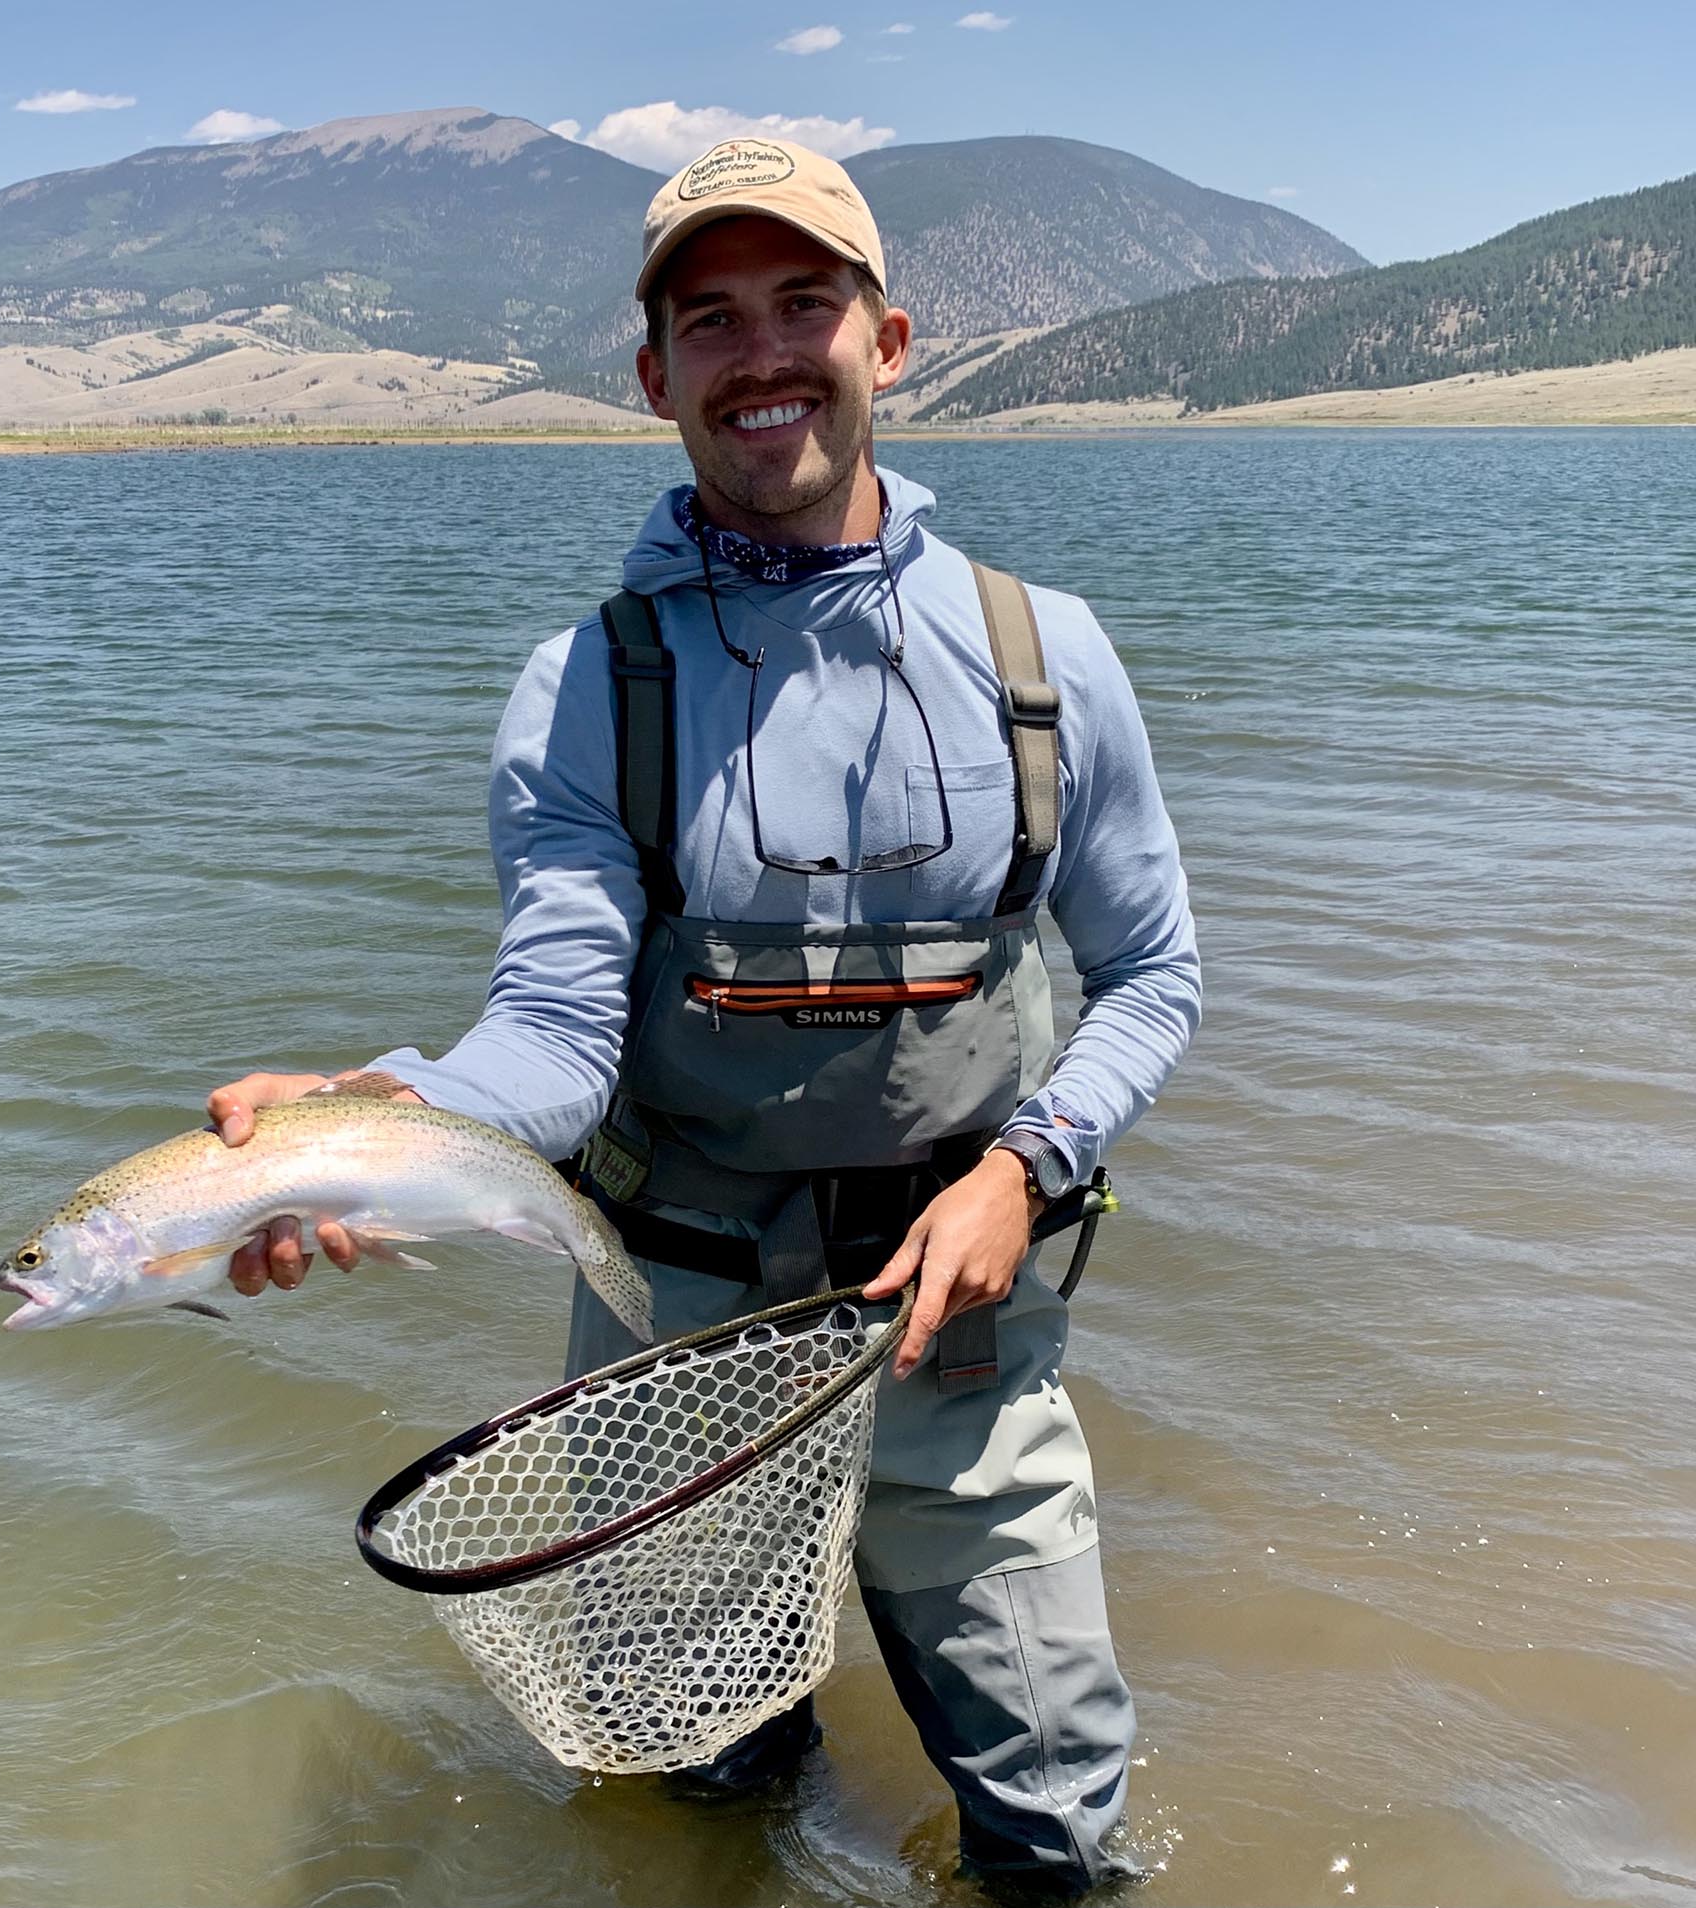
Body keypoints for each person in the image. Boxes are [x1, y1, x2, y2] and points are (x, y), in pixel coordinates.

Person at [208, 139, 1200, 1895]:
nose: (763, 356)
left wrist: (1025, 1170)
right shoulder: (587, 688)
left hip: (963, 1327)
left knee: (1060, 1832)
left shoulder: (1046, 658)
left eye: (803, 303)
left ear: (888, 342)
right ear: (653, 374)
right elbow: (553, 1034)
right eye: (711, 320)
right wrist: (385, 1119)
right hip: (671, 1336)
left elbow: (1156, 979)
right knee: (704, 1789)